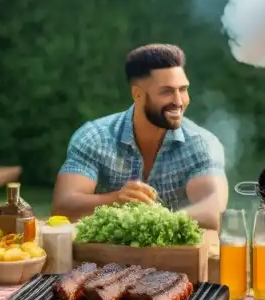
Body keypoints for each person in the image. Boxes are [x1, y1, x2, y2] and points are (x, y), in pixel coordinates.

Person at [52, 44, 229, 230]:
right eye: (167, 91)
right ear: (137, 95)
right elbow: (63, 207)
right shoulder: (95, 137)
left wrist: (154, 221)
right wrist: (114, 200)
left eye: (183, 89)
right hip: (105, 257)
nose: (179, 101)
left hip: (178, 257)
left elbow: (212, 210)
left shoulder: (201, 143)